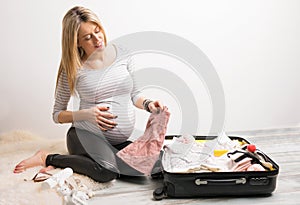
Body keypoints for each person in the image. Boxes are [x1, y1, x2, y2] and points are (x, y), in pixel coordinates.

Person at [13, 6, 165, 182]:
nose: (97, 39)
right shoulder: (73, 68)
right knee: (106, 172)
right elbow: (57, 115)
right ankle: (47, 157)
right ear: (77, 42)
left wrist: (148, 104)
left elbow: (135, 94)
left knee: (154, 164)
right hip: (84, 136)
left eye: (97, 30)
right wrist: (87, 114)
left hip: (116, 141)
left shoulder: (123, 54)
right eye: (87, 37)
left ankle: (108, 158)